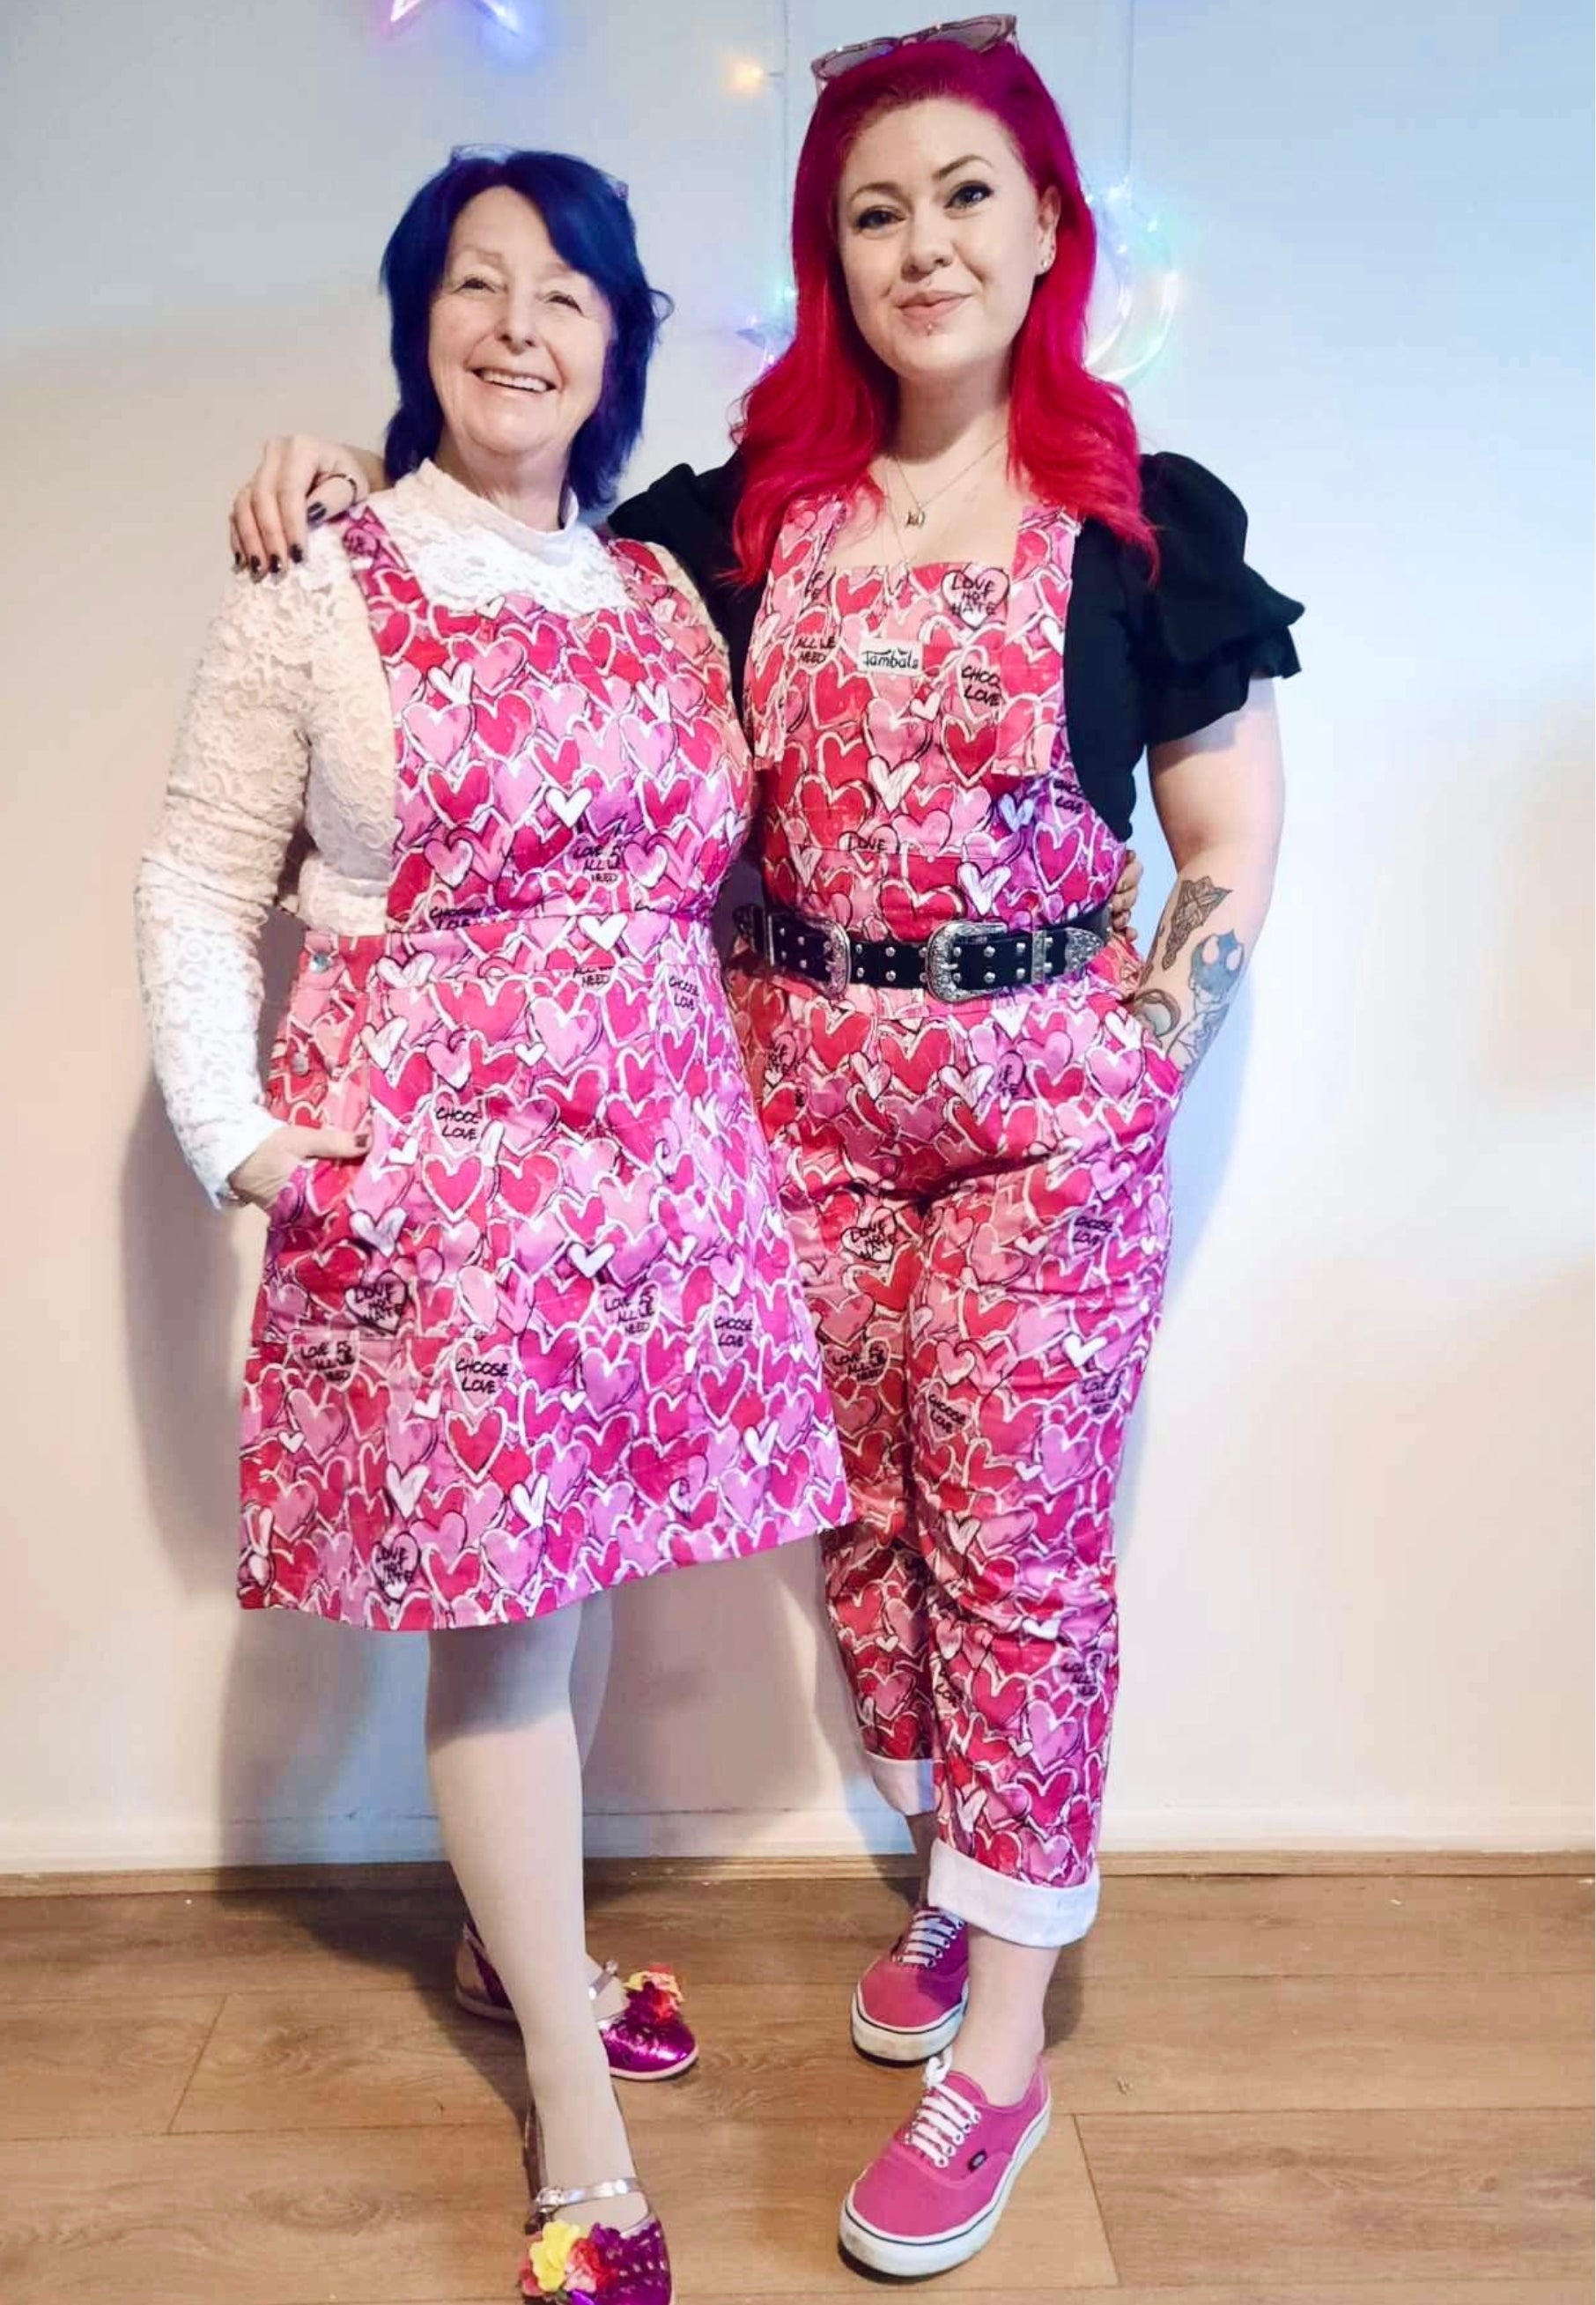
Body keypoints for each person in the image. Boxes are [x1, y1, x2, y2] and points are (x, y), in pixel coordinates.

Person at [227, 15, 1301, 2280]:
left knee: (1020, 1542)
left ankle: (1002, 2035)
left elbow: (1224, 833)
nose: (924, 242)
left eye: (965, 197)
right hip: (780, 1095)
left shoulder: (1141, 522)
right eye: (875, 208)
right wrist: (341, 465)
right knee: (874, 1526)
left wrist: (1142, 1038)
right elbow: (493, 548)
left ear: (1044, 231)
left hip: (1038, 1110)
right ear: (834, 254)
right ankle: (952, 1881)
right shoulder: (739, 518)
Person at [137, 146, 854, 2304]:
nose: (517, 321)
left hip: (653, 1174)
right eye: (474, 282)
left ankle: (501, 1933)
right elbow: (197, 875)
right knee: (503, 1631)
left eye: (565, 290)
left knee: (589, 1578)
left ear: (618, 341)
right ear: (416, 321)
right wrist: (238, 1139)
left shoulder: (656, 591)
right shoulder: (320, 577)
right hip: (444, 1200)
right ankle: (571, 2092)